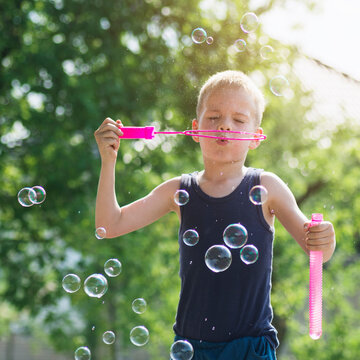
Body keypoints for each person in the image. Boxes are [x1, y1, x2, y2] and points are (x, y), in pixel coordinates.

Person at [94, 70, 336, 360]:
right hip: (192, 349)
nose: (224, 126)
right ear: (195, 129)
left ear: (256, 137)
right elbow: (109, 225)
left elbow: (315, 247)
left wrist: (325, 238)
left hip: (251, 349)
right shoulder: (178, 191)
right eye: (214, 117)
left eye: (239, 119)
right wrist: (108, 160)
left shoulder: (267, 187)